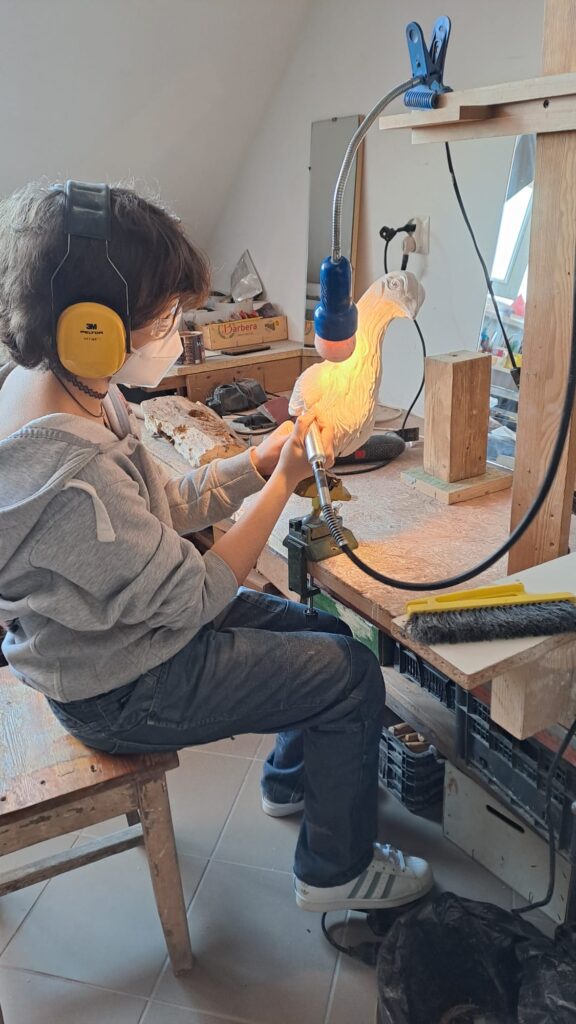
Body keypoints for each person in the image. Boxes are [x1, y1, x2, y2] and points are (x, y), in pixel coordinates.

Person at [0, 182, 432, 913]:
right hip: (116, 686)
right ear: (91, 328)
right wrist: (283, 483)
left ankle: (296, 783)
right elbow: (198, 591)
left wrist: (254, 462)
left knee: (329, 635)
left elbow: (158, 507)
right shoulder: (73, 481)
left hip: (126, 631)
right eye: (166, 316)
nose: (177, 332)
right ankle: (334, 874)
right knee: (353, 674)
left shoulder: (67, 387)